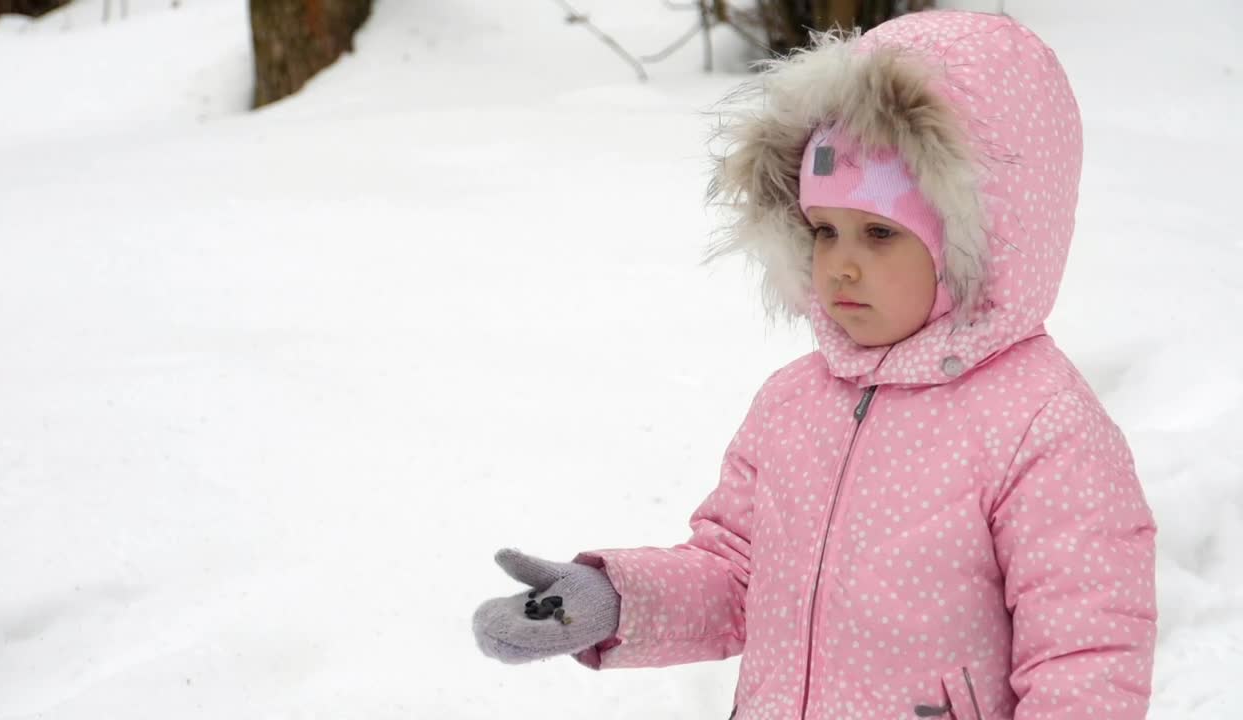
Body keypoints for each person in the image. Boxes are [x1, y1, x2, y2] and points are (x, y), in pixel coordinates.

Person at [472, 10, 1158, 720]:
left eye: (880, 233)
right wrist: (613, 601)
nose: (842, 265)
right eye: (825, 230)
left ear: (975, 240)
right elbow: (735, 575)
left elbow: (1087, 661)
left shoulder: (1042, 427)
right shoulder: (794, 403)